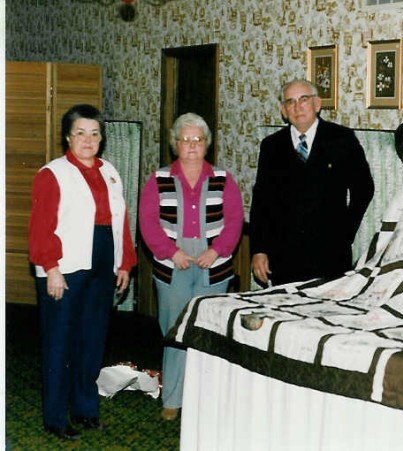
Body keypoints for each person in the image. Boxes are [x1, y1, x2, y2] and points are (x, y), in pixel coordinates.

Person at [28, 104, 137, 441]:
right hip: (67, 266)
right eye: (80, 133)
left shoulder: (110, 172)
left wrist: (125, 263)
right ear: (67, 136)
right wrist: (51, 269)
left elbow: (121, 222)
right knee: (60, 343)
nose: (88, 140)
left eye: (94, 133)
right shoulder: (53, 173)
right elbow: (41, 228)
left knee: (92, 341)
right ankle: (56, 418)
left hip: (103, 259)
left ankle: (86, 410)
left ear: (101, 138)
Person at [139, 112, 243, 421]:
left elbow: (235, 221)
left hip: (214, 265)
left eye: (198, 139)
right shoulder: (158, 179)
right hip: (174, 265)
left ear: (207, 144)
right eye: (186, 140)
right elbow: (148, 223)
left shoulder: (224, 179)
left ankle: (205, 400)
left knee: (207, 330)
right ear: (175, 144)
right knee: (175, 331)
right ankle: (172, 397)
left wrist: (217, 251)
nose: (192, 145)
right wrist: (171, 252)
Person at [250, 79, 374, 286]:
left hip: (330, 255)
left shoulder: (341, 139)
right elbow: (262, 201)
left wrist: (345, 233)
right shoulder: (272, 146)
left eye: (304, 99)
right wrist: (259, 250)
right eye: (290, 102)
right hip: (285, 256)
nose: (297, 107)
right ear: (283, 110)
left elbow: (364, 189)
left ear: (317, 104)